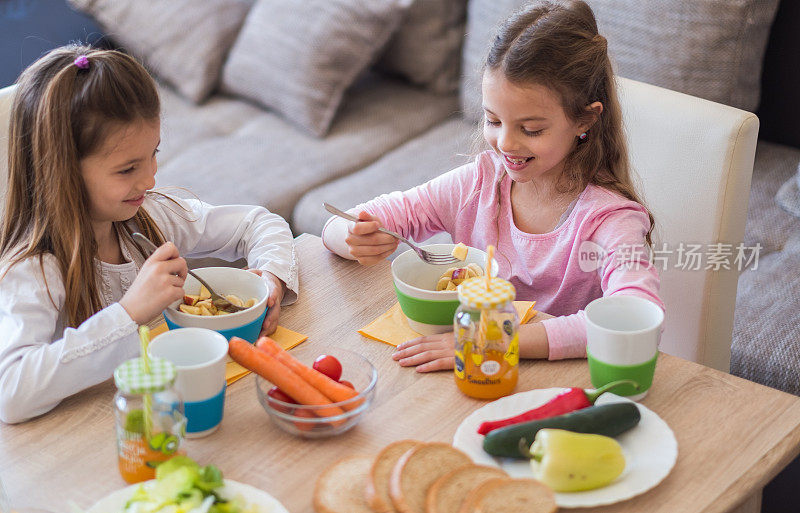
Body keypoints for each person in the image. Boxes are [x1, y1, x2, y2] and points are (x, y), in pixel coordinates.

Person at [322, 0, 663, 372]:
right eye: (493, 120)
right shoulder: (480, 183)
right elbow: (343, 224)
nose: (505, 144)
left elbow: (635, 317)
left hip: (554, 380)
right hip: (469, 369)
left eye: (531, 129)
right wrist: (354, 235)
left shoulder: (609, 219)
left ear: (585, 120)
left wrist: (487, 336)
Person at [0, 45, 298, 424]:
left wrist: (271, 275)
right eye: (127, 169)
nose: (149, 179)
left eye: (153, 153)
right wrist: (129, 313)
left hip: (167, 417)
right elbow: (10, 391)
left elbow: (258, 223)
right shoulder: (35, 270)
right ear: (62, 173)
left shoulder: (147, 215)